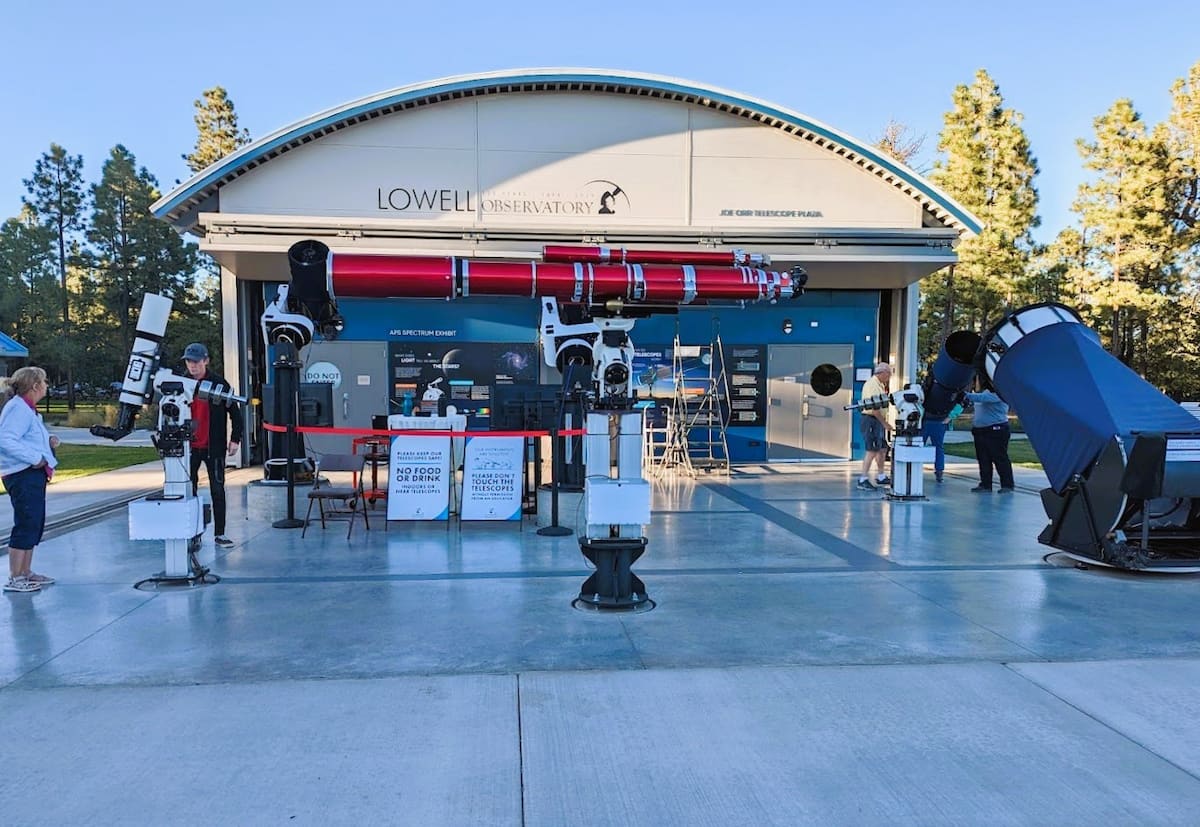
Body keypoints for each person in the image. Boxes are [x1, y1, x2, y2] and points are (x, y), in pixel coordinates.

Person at [0, 367, 60, 592]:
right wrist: (35, 458)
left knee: (34, 522)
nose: (47, 385)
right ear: (35, 386)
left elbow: (29, 436)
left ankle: (26, 572)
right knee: (26, 522)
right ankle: (15, 577)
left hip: (33, 474)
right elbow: (5, 439)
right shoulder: (18, 409)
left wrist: (49, 440)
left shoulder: (29, 410)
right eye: (44, 382)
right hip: (22, 474)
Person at [182, 343, 244, 547]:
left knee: (217, 489)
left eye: (196, 362)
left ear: (206, 361)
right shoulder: (180, 383)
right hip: (189, 447)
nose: (192, 366)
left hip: (213, 446)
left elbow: (235, 413)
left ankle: (220, 533)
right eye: (189, 362)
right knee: (188, 490)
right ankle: (193, 533)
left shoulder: (219, 384)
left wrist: (235, 438)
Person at [965, 381, 1015, 494]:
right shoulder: (984, 393)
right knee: (983, 459)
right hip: (981, 431)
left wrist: (965, 394)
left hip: (996, 430)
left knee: (999, 458)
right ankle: (985, 484)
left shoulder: (1000, 394)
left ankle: (1007, 485)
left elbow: (982, 398)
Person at [856, 362, 894, 490]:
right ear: (882, 373)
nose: (890, 376)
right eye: (889, 374)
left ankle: (881, 476)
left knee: (882, 448)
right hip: (871, 420)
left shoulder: (880, 385)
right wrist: (886, 424)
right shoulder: (872, 385)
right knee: (871, 450)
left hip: (877, 421)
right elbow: (874, 409)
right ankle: (863, 479)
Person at [920, 390, 965, 484]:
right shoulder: (954, 389)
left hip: (927, 420)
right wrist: (949, 418)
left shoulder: (931, 387)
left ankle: (915, 469)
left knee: (919, 447)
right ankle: (939, 472)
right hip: (939, 421)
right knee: (938, 447)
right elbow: (962, 403)